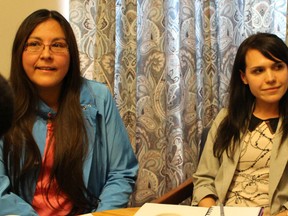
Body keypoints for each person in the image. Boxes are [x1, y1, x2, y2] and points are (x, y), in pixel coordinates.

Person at [0, 9, 138, 216]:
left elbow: (121, 173)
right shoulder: (3, 104)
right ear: (19, 52)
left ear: (71, 54)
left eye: (57, 45)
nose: (46, 55)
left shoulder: (99, 98)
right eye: (34, 44)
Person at [192, 32, 288, 216]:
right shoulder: (225, 119)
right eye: (258, 71)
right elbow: (204, 179)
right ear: (244, 77)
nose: (270, 78)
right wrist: (211, 211)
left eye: (278, 67)